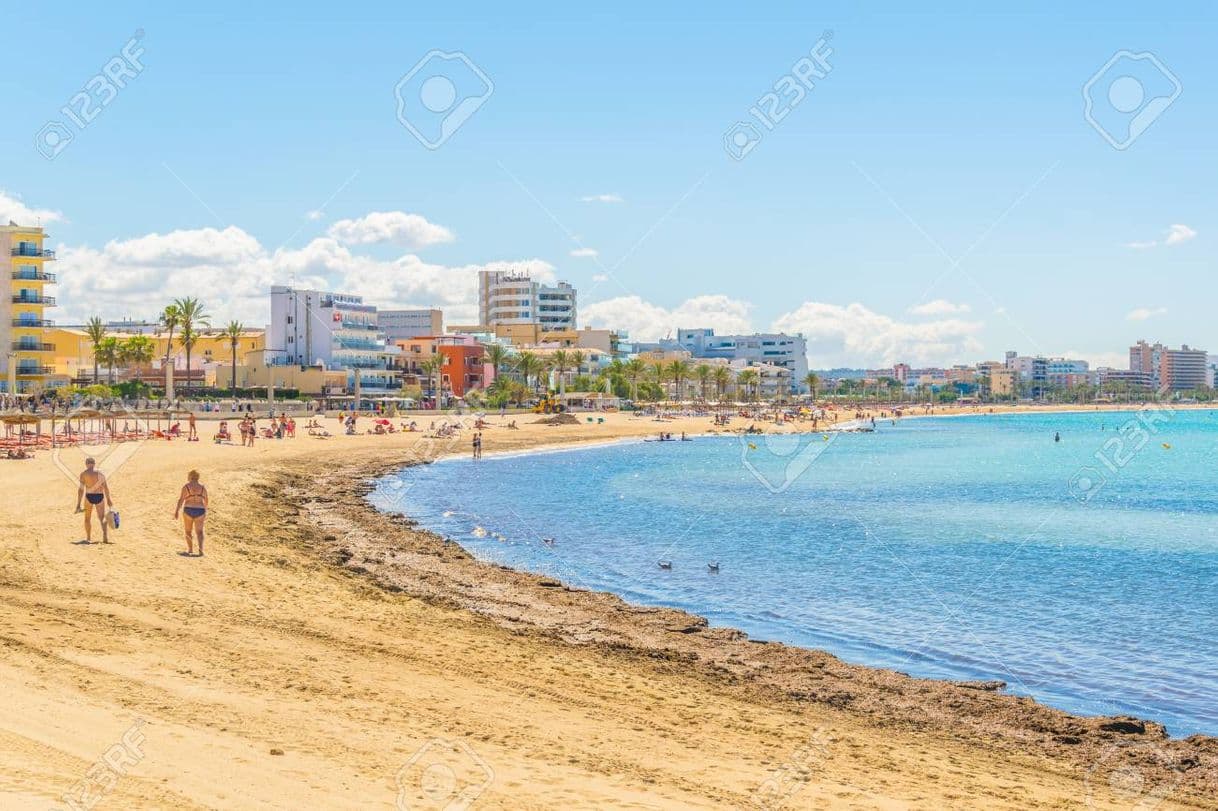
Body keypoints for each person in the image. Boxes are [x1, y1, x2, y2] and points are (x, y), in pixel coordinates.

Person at [75, 457, 113, 544]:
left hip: (89, 496)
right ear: (94, 464)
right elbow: (106, 488)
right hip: (99, 496)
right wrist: (108, 500)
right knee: (102, 518)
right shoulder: (100, 474)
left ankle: (88, 538)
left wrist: (78, 504)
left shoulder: (83, 474)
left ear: (86, 464)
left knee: (87, 518)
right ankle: (105, 536)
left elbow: (81, 490)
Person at [174, 470, 209, 556]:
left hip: (188, 509)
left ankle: (190, 549)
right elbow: (206, 500)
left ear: (190, 476)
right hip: (200, 510)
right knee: (200, 532)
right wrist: (205, 508)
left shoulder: (186, 487)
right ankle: (201, 551)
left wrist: (177, 511)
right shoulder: (202, 487)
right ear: (198, 477)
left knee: (188, 531)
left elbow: (181, 499)